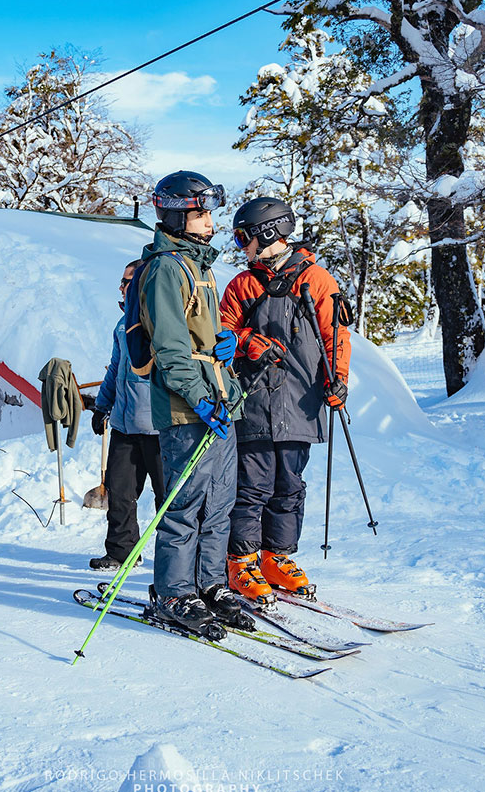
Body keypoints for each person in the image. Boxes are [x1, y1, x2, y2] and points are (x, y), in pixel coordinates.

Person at [219, 197, 351, 604]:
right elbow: (221, 332)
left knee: (289, 485)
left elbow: (335, 336)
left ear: (268, 232)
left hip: (300, 400)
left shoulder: (317, 280)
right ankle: (241, 561)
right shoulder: (242, 285)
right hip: (255, 400)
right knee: (252, 485)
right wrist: (248, 342)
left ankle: (277, 557)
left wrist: (338, 380)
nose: (241, 246)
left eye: (243, 237)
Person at [137, 170, 248, 634]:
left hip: (220, 399)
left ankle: (209, 584)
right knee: (185, 504)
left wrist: (225, 342)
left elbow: (200, 335)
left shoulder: (200, 266)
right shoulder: (167, 268)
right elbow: (170, 349)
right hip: (189, 406)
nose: (210, 222)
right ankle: (174, 592)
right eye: (201, 214)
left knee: (219, 502)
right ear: (176, 215)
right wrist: (200, 398)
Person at [89, 259, 165, 572]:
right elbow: (115, 370)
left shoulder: (160, 321)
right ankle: (122, 552)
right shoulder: (122, 325)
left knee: (168, 499)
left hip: (160, 428)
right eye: (121, 281)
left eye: (127, 281)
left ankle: (176, 560)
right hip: (124, 425)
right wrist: (102, 406)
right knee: (120, 494)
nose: (121, 287)